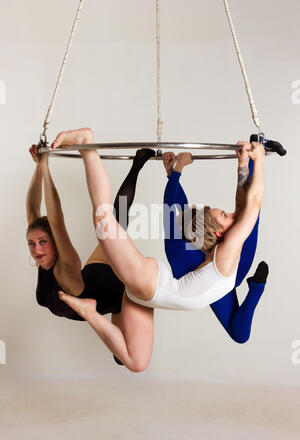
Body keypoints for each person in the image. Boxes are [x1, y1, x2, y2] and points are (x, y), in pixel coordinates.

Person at [54, 128, 266, 368]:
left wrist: (253, 162)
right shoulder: (226, 254)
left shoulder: (228, 252)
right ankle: (87, 144)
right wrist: (246, 162)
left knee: (136, 362)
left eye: (225, 214)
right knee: (104, 221)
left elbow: (250, 203)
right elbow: (248, 204)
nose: (232, 214)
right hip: (152, 284)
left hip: (147, 297)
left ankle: (90, 312)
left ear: (220, 233)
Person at [26, 142, 155, 372]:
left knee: (125, 356)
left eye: (43, 242)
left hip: (116, 290)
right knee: (116, 223)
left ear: (56, 241)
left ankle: (138, 163)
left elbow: (56, 219)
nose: (37, 250)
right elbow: (33, 208)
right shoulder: (43, 261)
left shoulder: (64, 267)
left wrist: (46, 167)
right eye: (32, 244)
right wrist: (38, 167)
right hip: (97, 273)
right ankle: (138, 162)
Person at [162, 147, 268, 344]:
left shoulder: (209, 235)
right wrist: (176, 171)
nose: (230, 214)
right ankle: (257, 286)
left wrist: (173, 174)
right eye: (224, 215)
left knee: (247, 216)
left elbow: (177, 207)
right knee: (240, 335)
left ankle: (252, 152)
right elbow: (172, 207)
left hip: (227, 269)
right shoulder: (179, 245)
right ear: (218, 234)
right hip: (216, 281)